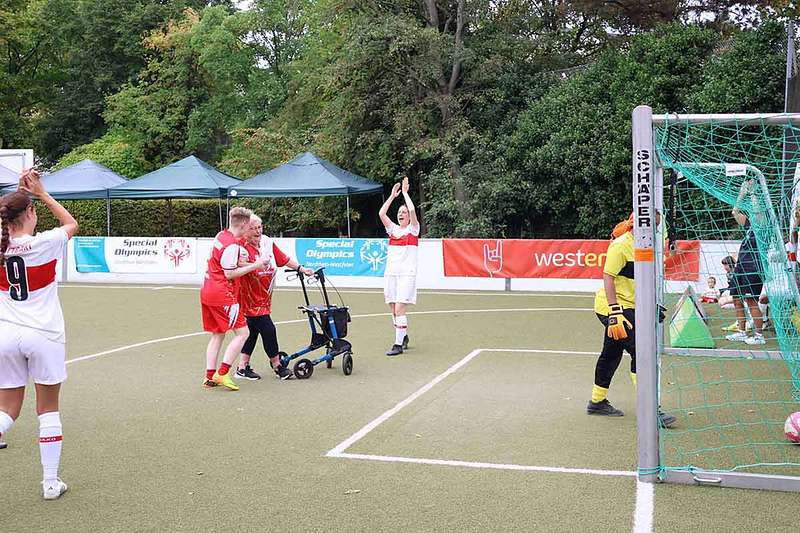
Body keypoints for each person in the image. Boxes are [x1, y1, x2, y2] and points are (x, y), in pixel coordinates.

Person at [0, 169, 79, 499]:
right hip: (44, 334)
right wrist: (42, 193)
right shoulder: (45, 242)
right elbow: (71, 224)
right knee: (48, 410)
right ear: (31, 213)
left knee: (7, 410)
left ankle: (51, 482)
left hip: (6, 335)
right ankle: (50, 482)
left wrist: (19, 198)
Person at [587, 212, 676, 428]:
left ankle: (597, 402)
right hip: (613, 307)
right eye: (652, 224)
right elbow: (608, 277)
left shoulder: (648, 246)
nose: (656, 229)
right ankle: (650, 409)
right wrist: (614, 312)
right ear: (638, 223)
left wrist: (651, 305)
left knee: (611, 353)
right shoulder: (620, 245)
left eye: (657, 225)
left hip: (631, 306)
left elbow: (643, 281)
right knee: (641, 351)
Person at [200, 206, 270, 391]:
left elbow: (224, 263)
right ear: (244, 224)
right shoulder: (232, 245)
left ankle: (209, 376)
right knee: (243, 333)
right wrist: (256, 264)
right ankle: (222, 373)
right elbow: (230, 273)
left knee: (218, 334)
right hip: (223, 294)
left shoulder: (221, 236)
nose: (252, 229)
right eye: (250, 225)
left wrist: (245, 261)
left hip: (208, 289)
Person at [236, 214, 313, 380]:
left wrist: (302, 269)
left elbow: (283, 259)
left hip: (264, 296)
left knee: (252, 331)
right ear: (245, 230)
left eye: (259, 227)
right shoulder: (240, 246)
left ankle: (242, 367)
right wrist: (254, 265)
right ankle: (277, 366)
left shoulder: (267, 242)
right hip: (248, 297)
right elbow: (235, 266)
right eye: (253, 228)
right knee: (268, 330)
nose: (258, 231)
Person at [378, 176, 420, 356]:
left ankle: (397, 345)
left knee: (399, 309)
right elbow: (381, 214)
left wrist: (405, 193)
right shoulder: (393, 230)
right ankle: (403, 336)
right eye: (399, 212)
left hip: (406, 275)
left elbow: (412, 210)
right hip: (391, 274)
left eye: (404, 212)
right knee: (393, 309)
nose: (401, 214)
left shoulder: (413, 229)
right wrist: (392, 196)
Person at [724, 180, 765, 345]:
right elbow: (734, 211)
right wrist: (742, 193)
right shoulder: (749, 225)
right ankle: (741, 331)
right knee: (736, 298)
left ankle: (759, 336)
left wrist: (753, 193)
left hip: (753, 268)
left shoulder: (764, 226)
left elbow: (757, 212)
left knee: (751, 300)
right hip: (741, 266)